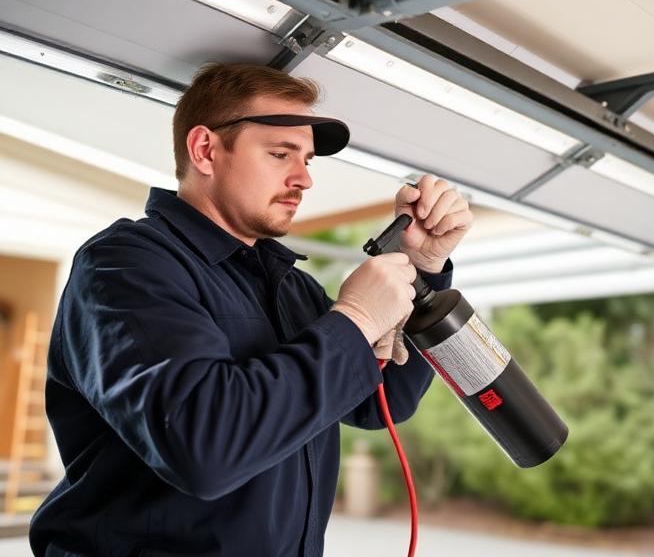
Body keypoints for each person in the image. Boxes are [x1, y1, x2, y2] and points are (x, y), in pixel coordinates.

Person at [29, 63, 473, 557]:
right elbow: (204, 447)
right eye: (281, 154)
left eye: (307, 160)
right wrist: (357, 320)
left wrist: (424, 268)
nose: (304, 179)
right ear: (205, 150)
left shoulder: (292, 288)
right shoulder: (125, 265)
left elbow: (383, 399)